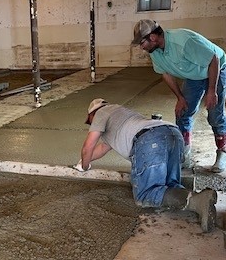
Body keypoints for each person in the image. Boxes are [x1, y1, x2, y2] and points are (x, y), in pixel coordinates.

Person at [75, 98, 218, 232]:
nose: (91, 124)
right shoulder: (118, 116)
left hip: (150, 140)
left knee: (145, 194)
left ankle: (198, 201)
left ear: (92, 114)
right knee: (169, 185)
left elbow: (88, 147)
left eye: (90, 121)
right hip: (173, 134)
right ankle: (199, 201)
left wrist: (85, 167)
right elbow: (99, 150)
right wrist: (83, 161)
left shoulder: (102, 111)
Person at [132, 19, 226, 173]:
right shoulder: (155, 51)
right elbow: (165, 73)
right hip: (194, 74)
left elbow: (214, 60)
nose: (141, 47)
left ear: (152, 37)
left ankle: (222, 152)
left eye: (142, 42)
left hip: (216, 69)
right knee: (182, 111)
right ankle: (185, 153)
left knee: (214, 113)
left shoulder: (183, 42)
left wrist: (212, 91)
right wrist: (180, 98)